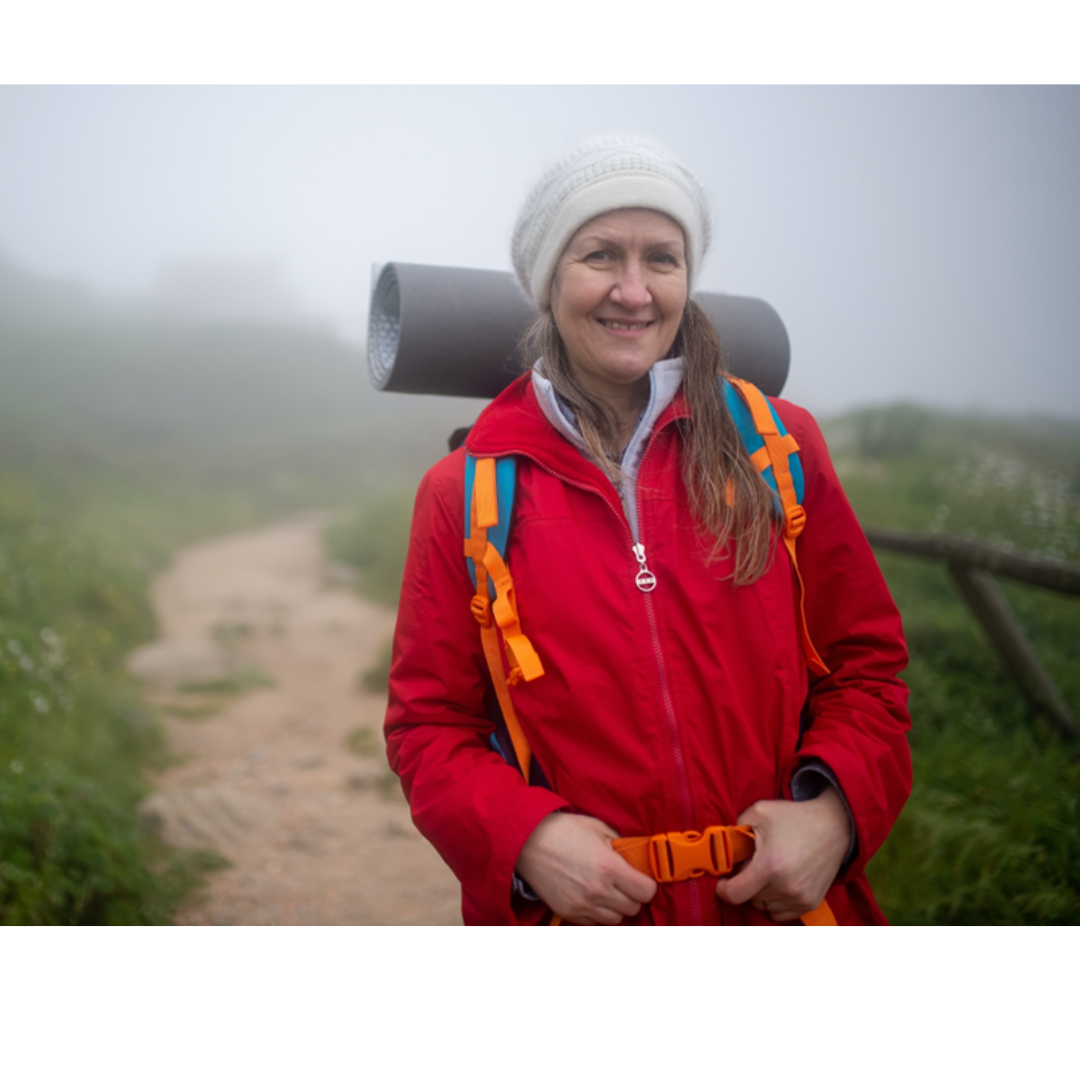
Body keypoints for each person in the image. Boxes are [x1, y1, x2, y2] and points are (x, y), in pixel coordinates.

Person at [384, 135, 912, 925]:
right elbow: (430, 725)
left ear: (687, 279)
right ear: (547, 278)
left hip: (779, 914)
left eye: (661, 260)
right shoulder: (465, 492)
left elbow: (867, 669)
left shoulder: (778, 449)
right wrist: (527, 840)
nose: (633, 292)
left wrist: (832, 816)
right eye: (600, 255)